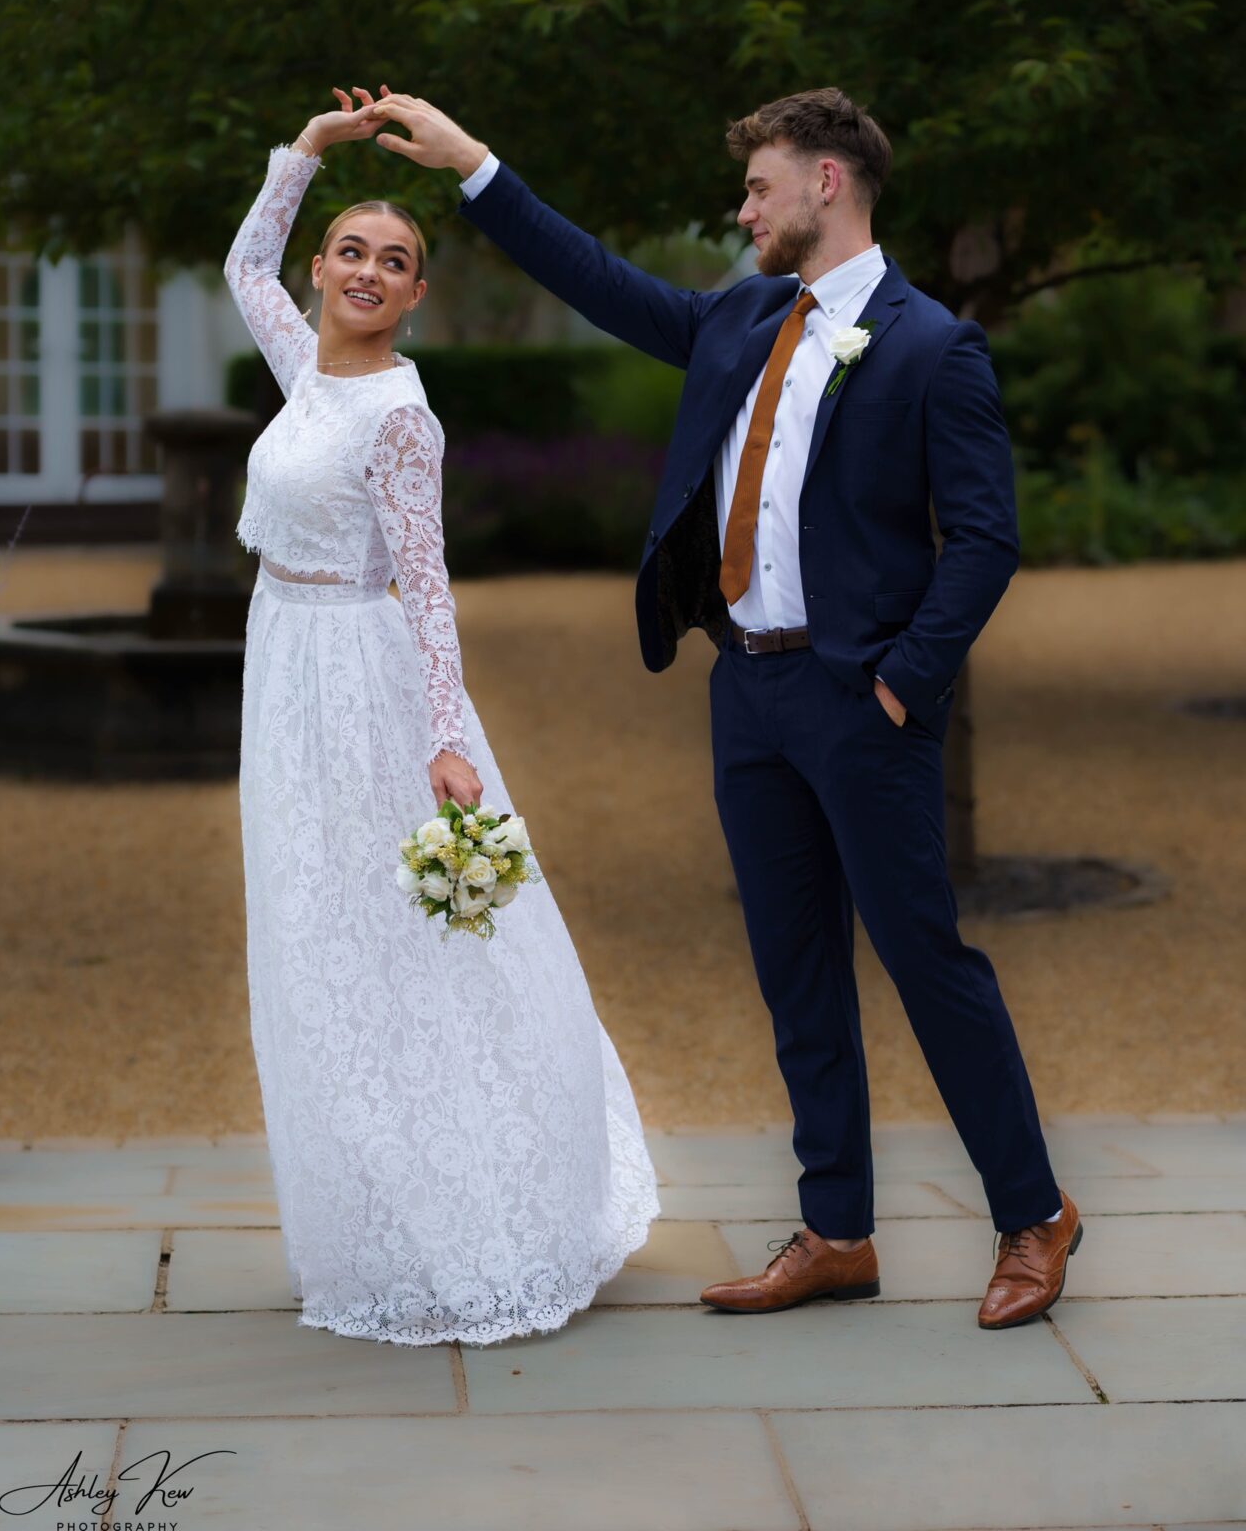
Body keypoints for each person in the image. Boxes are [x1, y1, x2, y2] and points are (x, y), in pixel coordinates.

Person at [369, 85, 1083, 1330]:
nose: (742, 207)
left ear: (829, 184)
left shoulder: (931, 347)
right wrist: (475, 166)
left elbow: (984, 541)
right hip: (745, 690)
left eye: (760, 186)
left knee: (926, 964)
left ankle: (1033, 1216)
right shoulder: (739, 317)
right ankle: (837, 1231)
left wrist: (905, 684)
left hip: (862, 703)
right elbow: (593, 279)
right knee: (793, 969)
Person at [223, 85, 659, 1347]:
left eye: (394, 261)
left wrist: (449, 735)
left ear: (417, 296)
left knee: (407, 948)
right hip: (282, 672)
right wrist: (303, 151)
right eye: (352, 252)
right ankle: (368, 1213)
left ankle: (491, 1208)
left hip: (363, 682)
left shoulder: (401, 417)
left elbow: (427, 587)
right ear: (322, 273)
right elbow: (246, 256)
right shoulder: (300, 365)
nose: (368, 271)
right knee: (315, 938)